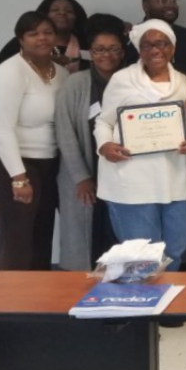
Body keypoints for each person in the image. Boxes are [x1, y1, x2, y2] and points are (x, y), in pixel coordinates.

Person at [95, 20, 186, 272]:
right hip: (132, 180)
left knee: (174, 250)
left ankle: (166, 308)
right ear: (139, 49)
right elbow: (103, 121)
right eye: (148, 45)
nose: (155, 50)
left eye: (162, 43)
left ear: (172, 48)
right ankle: (145, 310)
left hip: (174, 180)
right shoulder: (122, 79)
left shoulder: (185, 82)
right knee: (140, 256)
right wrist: (105, 145)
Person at [0, 11, 69, 269]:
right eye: (33, 33)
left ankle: (38, 303)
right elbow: (1, 130)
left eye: (47, 32)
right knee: (17, 237)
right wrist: (18, 178)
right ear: (20, 39)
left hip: (46, 162)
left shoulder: (59, 73)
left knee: (42, 234)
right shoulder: (9, 72)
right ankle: (11, 305)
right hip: (4, 161)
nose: (42, 38)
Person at [54, 14, 126, 270]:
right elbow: (65, 132)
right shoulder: (75, 84)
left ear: (122, 51)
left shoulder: (132, 82)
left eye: (113, 49)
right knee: (86, 239)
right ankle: (82, 296)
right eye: (99, 49)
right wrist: (81, 177)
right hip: (84, 172)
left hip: (122, 175)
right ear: (90, 52)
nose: (106, 55)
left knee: (118, 236)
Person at [0, 0, 88, 76]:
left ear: (77, 18)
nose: (62, 13)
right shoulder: (21, 42)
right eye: (55, 10)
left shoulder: (86, 44)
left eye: (69, 11)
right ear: (44, 15)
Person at [124, 0, 186, 74]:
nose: (170, 5)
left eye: (174, 1)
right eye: (163, 1)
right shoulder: (131, 37)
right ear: (145, 6)